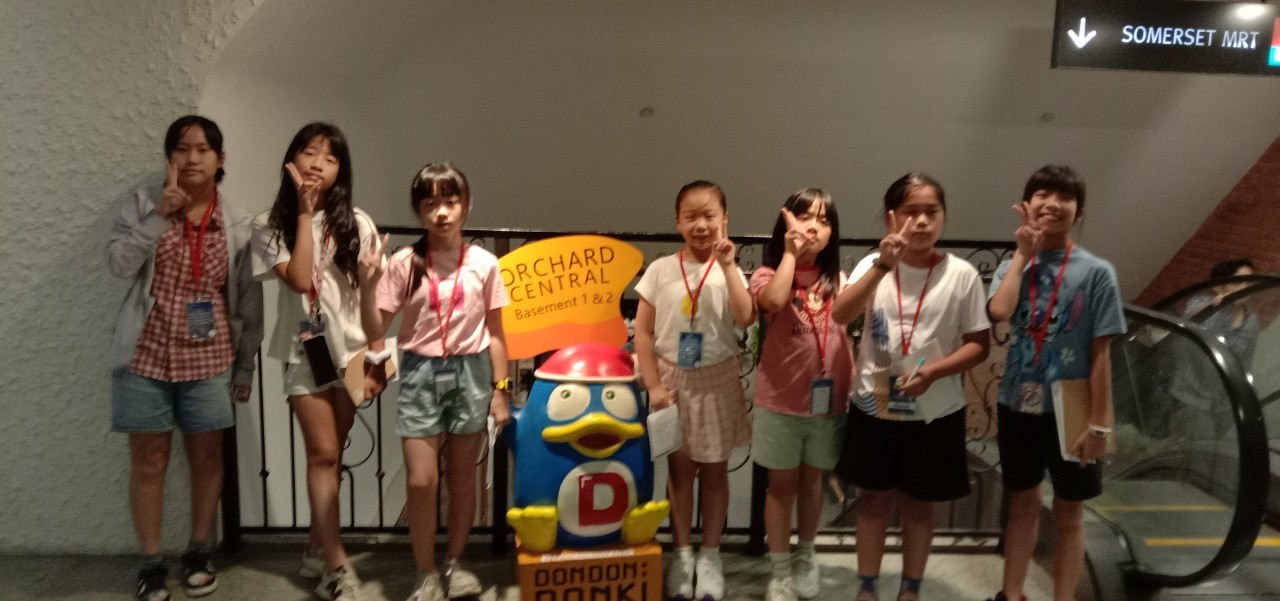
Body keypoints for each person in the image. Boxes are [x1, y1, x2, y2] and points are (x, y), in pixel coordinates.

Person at [106, 115, 263, 601]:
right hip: (146, 352)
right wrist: (159, 215)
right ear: (169, 157)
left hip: (211, 355)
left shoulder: (237, 222)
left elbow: (248, 301)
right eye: (181, 148)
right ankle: (151, 564)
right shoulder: (142, 204)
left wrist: (245, 365)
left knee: (207, 457)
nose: (192, 158)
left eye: (202, 149)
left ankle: (198, 552)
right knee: (149, 460)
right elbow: (117, 264)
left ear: (220, 159)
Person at [832, 174, 991, 601]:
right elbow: (841, 315)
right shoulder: (873, 264)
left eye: (930, 212)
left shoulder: (962, 275)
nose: (921, 221)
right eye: (910, 212)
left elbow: (979, 345)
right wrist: (882, 266)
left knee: (921, 505)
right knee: (873, 501)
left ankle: (911, 588)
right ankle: (867, 585)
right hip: (874, 404)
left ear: (943, 217)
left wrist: (934, 372)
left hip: (935, 409)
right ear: (891, 219)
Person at [359, 163, 511, 601]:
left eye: (450, 201)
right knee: (422, 481)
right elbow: (376, 327)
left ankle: (455, 564)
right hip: (420, 373)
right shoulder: (404, 263)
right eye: (430, 203)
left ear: (466, 206)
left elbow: (497, 334)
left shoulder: (485, 263)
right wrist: (368, 286)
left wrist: (500, 391)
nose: (441, 212)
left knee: (462, 478)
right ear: (419, 210)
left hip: (472, 372)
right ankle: (425, 573)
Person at [251, 122, 387, 601]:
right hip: (302, 353)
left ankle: (315, 545)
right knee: (324, 453)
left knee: (333, 453)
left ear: (340, 172)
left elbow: (371, 300)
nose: (318, 164)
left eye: (330, 158)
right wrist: (305, 213)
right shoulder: (269, 224)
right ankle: (337, 565)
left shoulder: (359, 223)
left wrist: (377, 354)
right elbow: (298, 277)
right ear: (292, 159)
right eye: (310, 152)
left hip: (352, 355)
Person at [985, 165, 1126, 601]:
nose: (1053, 203)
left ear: (1078, 212)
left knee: (1069, 510)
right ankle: (1012, 594)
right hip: (1016, 401)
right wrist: (1022, 255)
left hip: (1074, 407)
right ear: (1026, 205)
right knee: (1022, 504)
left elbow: (1101, 351)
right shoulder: (1012, 265)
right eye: (1043, 194)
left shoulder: (1097, 272)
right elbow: (999, 312)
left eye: (1065, 197)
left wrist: (1099, 423)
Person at [633, 181, 755, 601]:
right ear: (677, 222)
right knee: (680, 473)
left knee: (716, 474)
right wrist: (653, 385)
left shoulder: (729, 269)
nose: (700, 225)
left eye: (709, 216)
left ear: (725, 220)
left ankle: (711, 556)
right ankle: (683, 555)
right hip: (673, 381)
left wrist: (729, 265)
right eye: (691, 217)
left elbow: (745, 317)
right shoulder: (660, 270)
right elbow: (643, 333)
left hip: (717, 380)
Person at [749, 189, 855, 601]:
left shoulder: (839, 281)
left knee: (813, 484)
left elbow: (848, 327)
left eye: (824, 221)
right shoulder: (768, 274)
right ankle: (779, 570)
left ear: (833, 233)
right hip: (780, 401)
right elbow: (774, 301)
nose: (814, 227)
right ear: (786, 225)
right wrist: (790, 254)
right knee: (780, 487)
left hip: (828, 404)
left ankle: (806, 555)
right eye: (805, 217)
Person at [1153, 258, 1260, 440]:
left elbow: (1245, 362)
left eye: (1249, 282)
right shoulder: (1204, 304)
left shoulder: (1251, 321)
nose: (1245, 287)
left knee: (1213, 447)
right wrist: (1213, 306)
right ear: (1218, 287)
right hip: (1190, 396)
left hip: (1224, 403)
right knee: (1196, 444)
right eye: (1238, 282)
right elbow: (1188, 318)